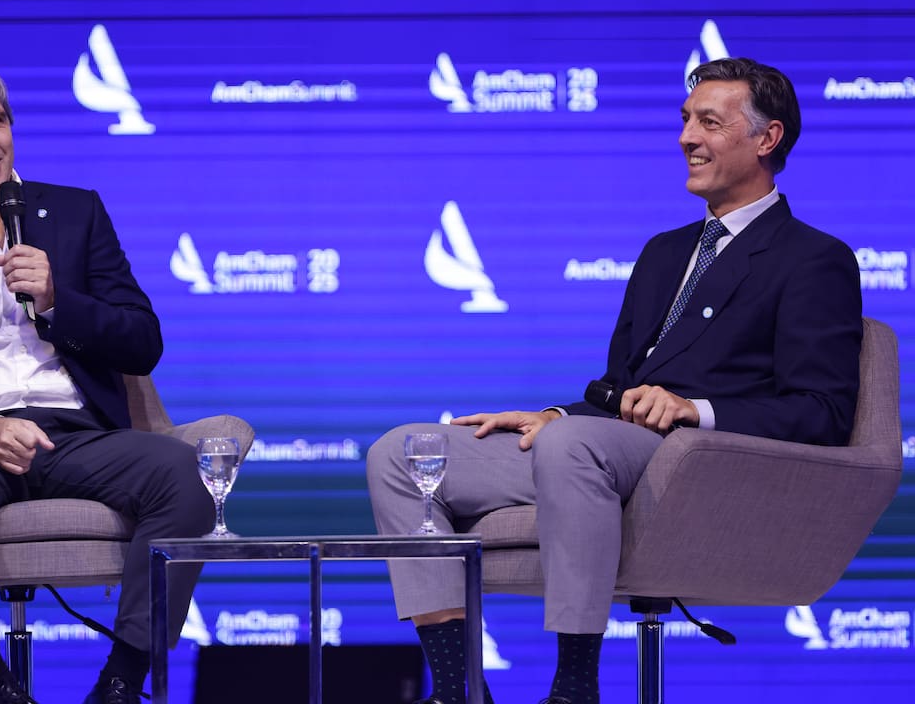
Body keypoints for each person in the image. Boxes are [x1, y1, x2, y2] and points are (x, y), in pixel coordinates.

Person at [366, 57, 863, 704]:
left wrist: (694, 410)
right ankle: (458, 688)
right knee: (404, 453)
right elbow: (619, 384)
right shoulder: (664, 251)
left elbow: (821, 411)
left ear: (767, 139)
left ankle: (575, 685)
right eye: (686, 120)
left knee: (572, 449)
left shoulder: (813, 259)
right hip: (605, 447)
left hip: (703, 459)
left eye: (709, 122)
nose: (686, 138)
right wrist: (558, 416)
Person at [0, 57, 215, 704]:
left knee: (186, 476)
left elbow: (143, 342)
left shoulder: (76, 214)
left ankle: (122, 678)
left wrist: (57, 300)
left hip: (80, 436)